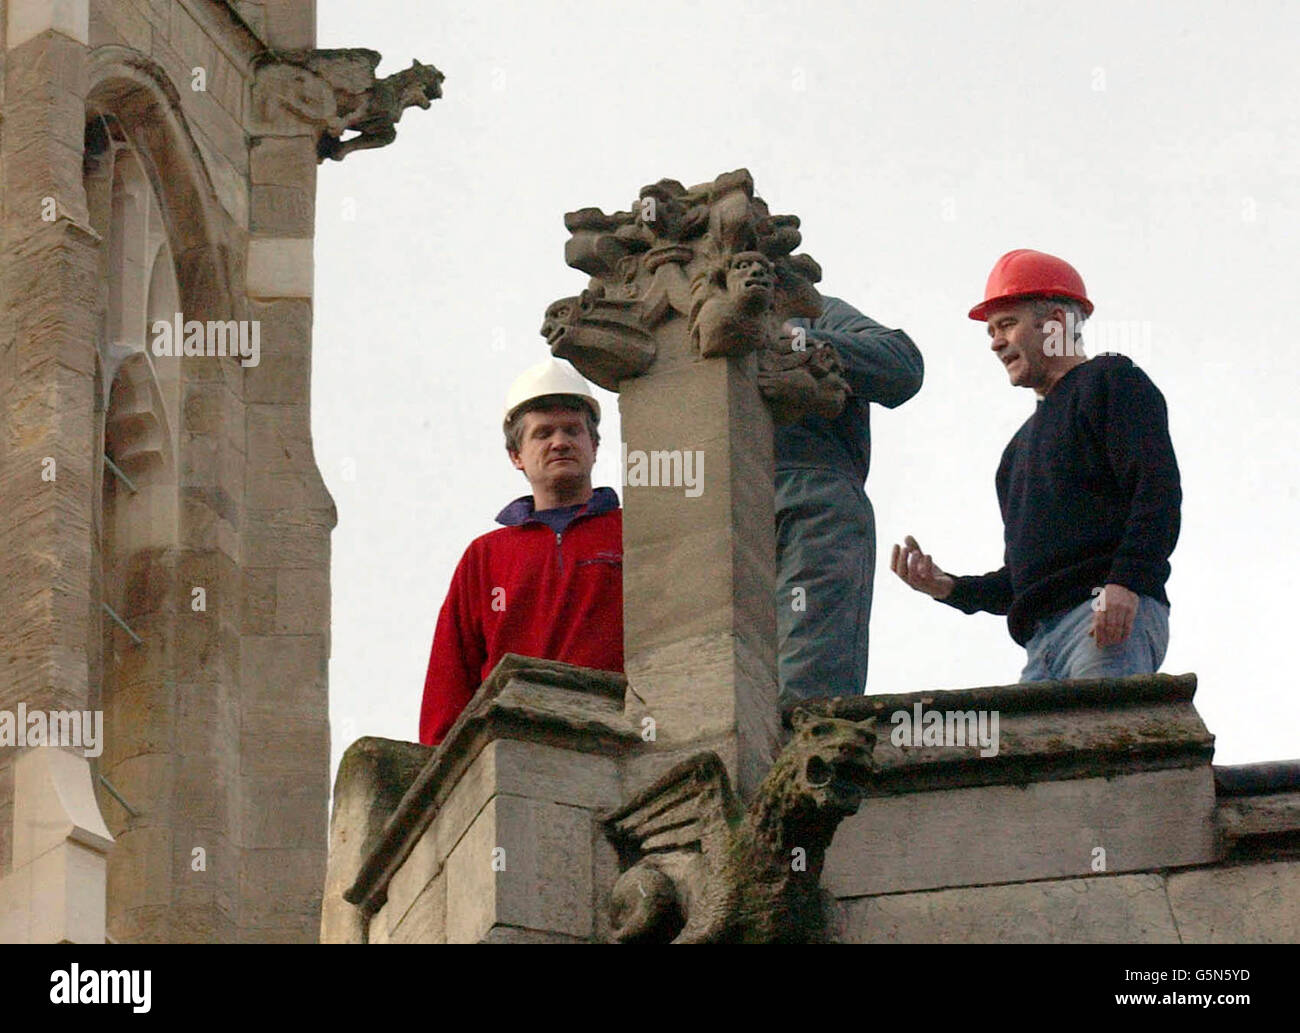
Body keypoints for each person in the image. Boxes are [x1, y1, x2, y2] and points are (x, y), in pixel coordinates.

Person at [891, 249, 1182, 681]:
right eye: (990, 330)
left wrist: (1126, 583)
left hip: (1103, 621)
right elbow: (1023, 581)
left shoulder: (1113, 381)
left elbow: (1156, 492)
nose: (994, 341)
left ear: (1056, 326)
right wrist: (951, 588)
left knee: (1098, 746)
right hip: (1039, 646)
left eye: (1007, 324)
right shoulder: (1015, 455)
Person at [418, 358, 623, 746]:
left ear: (594, 446)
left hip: (616, 737)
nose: (559, 441)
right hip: (511, 750)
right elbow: (449, 680)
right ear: (516, 456)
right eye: (543, 433)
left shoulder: (636, 534)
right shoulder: (484, 557)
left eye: (572, 430)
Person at [777, 296, 924, 702]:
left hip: (812, 496)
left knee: (807, 683)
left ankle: (808, 760)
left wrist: (797, 339)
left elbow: (902, 365)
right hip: (722, 506)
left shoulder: (807, 310)